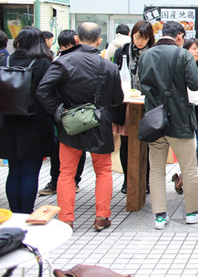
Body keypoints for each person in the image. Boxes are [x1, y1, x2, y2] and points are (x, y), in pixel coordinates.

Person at [36, 22, 124, 231]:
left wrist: (58, 111)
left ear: (76, 39)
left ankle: (66, 218)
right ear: (99, 41)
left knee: (66, 172)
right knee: (103, 171)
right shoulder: (109, 66)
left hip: (71, 121)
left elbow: (42, 90)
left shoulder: (63, 62)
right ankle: (102, 217)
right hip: (100, 121)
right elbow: (117, 98)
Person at [137, 21, 198, 230]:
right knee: (188, 169)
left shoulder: (146, 55)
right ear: (180, 36)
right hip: (180, 120)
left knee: (156, 170)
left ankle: (160, 217)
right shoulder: (183, 55)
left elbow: (139, 84)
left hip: (155, 121)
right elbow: (196, 84)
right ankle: (193, 212)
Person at [0, 27, 54, 213]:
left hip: (7, 123)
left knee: (14, 170)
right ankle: (26, 213)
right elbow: (48, 93)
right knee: (31, 171)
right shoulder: (43, 64)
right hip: (35, 124)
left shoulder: (4, 60)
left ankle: (14, 212)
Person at [38, 29, 86, 197]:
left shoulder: (66, 61)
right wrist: (56, 110)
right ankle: (58, 180)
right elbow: (44, 90)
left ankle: (74, 181)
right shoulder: (58, 61)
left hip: (76, 113)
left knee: (76, 148)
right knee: (60, 147)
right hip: (64, 113)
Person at [112, 20, 155, 194]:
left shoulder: (153, 53)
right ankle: (127, 179)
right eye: (137, 37)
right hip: (126, 102)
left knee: (147, 143)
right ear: (132, 35)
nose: (140, 42)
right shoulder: (122, 51)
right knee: (125, 142)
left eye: (144, 39)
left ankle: (145, 180)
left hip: (147, 103)